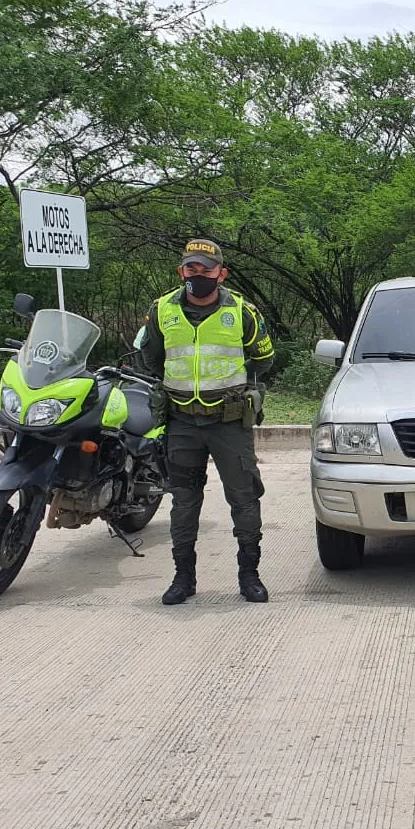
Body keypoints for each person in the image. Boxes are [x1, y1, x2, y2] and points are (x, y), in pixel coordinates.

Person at [139, 238, 276, 605]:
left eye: (206, 270)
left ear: (222, 274)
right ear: (181, 271)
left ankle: (250, 576)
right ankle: (183, 579)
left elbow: (264, 359)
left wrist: (239, 387)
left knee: (244, 500)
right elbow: (150, 357)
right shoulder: (162, 309)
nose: (198, 276)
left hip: (229, 422)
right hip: (182, 421)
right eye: (191, 269)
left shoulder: (242, 311)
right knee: (184, 503)